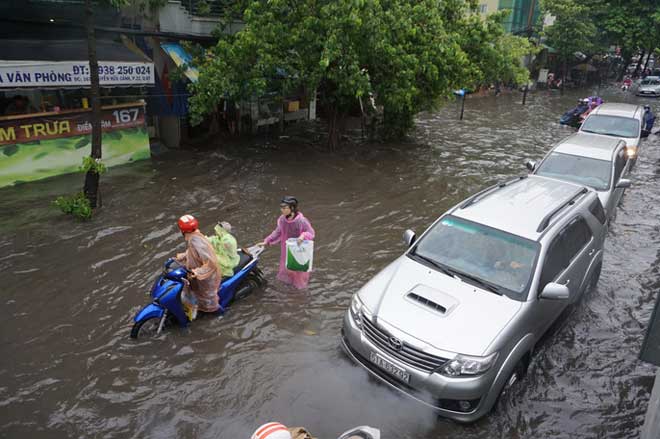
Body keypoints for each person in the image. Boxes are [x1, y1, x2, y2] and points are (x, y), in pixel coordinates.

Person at [257, 196, 315, 289]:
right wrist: (267, 241)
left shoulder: (301, 221)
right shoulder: (283, 219)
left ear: (292, 208)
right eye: (281, 208)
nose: (282, 210)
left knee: (297, 269)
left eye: (284, 208)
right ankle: (288, 285)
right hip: (286, 247)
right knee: (286, 267)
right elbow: (278, 232)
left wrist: (303, 236)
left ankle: (299, 289)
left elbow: (311, 233)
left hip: (298, 248)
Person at [174, 214, 221, 317]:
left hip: (207, 277)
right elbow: (194, 252)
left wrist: (197, 272)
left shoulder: (196, 240)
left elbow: (210, 262)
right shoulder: (194, 236)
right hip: (196, 272)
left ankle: (220, 314)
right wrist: (183, 256)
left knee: (209, 301)